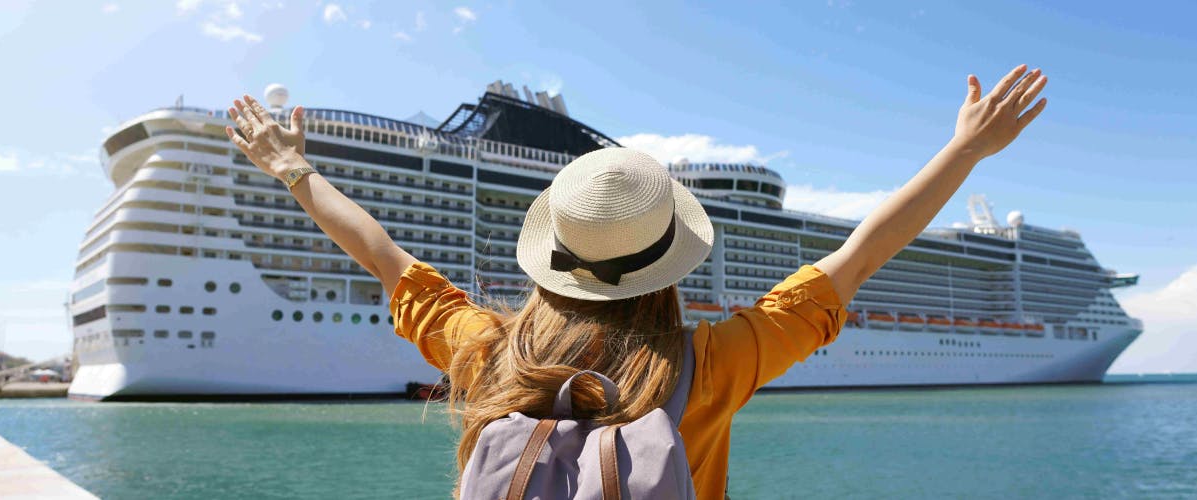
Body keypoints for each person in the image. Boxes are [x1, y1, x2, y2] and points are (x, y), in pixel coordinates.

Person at [226, 64, 1047, 498]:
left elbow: (380, 254)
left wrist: (292, 168)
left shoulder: (485, 354)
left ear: (550, 257)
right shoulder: (718, 364)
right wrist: (965, 151)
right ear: (672, 263)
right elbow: (864, 251)